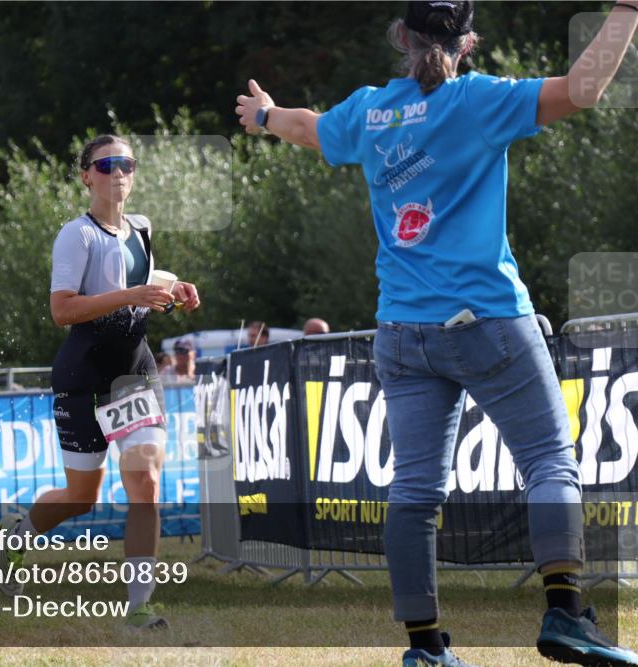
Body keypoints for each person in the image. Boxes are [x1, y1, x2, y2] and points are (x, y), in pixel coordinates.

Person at [236, 2, 638, 666]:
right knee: (549, 461)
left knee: (416, 490)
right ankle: (565, 612)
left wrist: (264, 117)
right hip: (488, 321)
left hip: (403, 331)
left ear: (400, 37)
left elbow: (309, 128)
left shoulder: (369, 111)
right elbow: (585, 89)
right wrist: (625, 11)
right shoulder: (479, 101)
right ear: (470, 43)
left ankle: (425, 648)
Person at [0, 134, 200, 630]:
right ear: (86, 174)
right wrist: (133, 292)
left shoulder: (142, 228)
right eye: (106, 165)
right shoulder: (75, 235)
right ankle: (16, 536)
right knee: (82, 497)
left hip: (134, 375)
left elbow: (140, 276)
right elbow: (62, 309)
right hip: (84, 377)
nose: (118, 173)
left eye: (126, 163)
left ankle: (139, 605)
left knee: (145, 483)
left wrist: (174, 287)